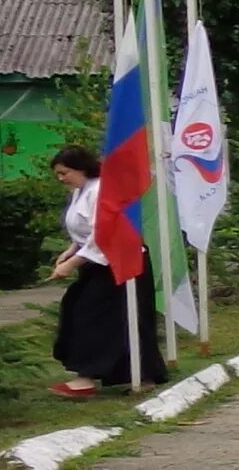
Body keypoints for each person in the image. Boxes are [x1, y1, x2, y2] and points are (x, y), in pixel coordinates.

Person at [45, 142, 164, 394]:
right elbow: (85, 229)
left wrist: (70, 264)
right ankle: (95, 373)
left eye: (65, 173)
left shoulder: (99, 190)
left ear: (81, 169)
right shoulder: (81, 190)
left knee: (110, 315)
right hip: (97, 264)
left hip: (122, 261)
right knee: (80, 309)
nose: (61, 178)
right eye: (58, 173)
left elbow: (103, 233)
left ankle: (121, 376)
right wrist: (71, 249)